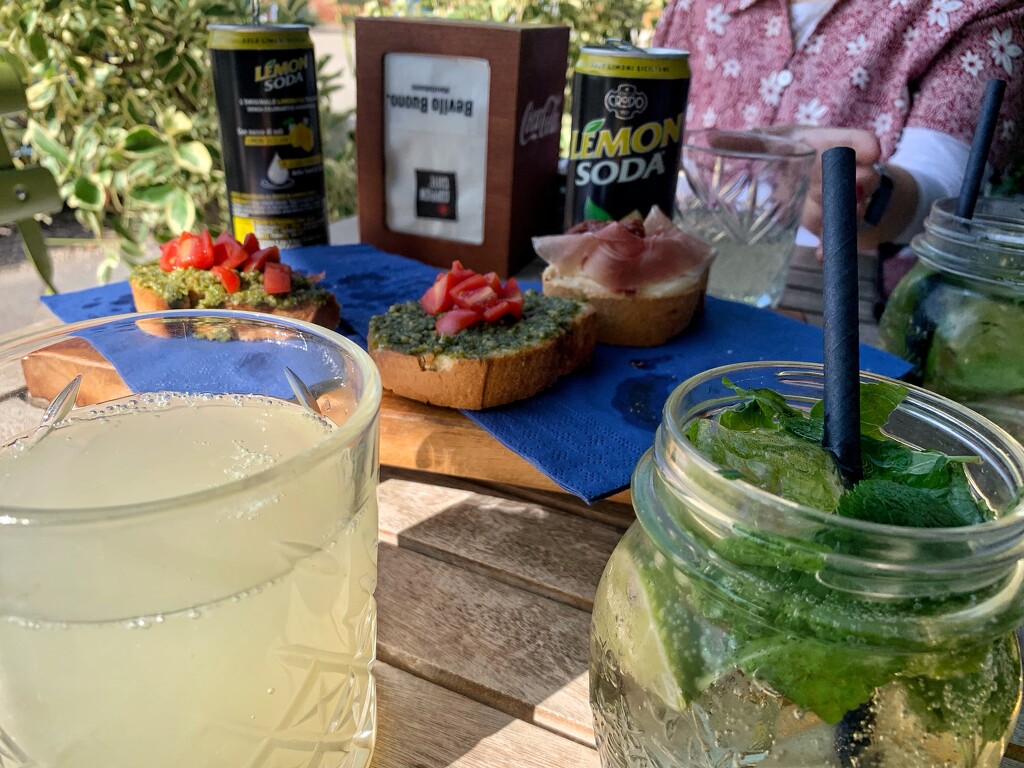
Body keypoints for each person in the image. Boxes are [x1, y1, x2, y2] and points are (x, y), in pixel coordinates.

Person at [652, 0, 1024, 252]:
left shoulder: (972, 9)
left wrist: (859, 195)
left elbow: (944, 196)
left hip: (845, 315)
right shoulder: (695, 5)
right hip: (672, 266)